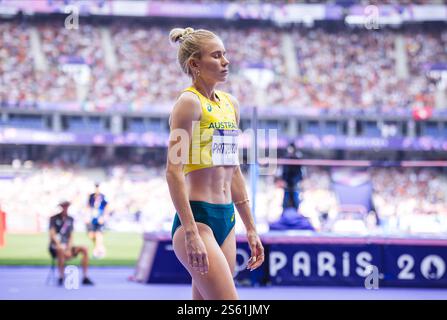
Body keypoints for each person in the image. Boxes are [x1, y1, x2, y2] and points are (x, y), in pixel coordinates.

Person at [166, 27, 264, 300]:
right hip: (200, 219)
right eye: (217, 55)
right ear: (194, 64)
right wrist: (190, 231)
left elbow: (233, 171)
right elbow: (173, 172)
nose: (226, 61)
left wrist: (251, 228)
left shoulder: (230, 104)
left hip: (227, 219)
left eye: (225, 54)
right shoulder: (188, 103)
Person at [49, 200, 94, 286]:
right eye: (64, 206)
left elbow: (71, 236)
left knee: (84, 248)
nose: (65, 208)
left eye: (67, 206)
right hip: (55, 246)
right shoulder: (53, 219)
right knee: (60, 249)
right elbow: (53, 235)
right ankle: (61, 276)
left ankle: (85, 277)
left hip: (67, 246)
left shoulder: (70, 219)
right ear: (61, 207)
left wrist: (68, 249)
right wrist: (61, 246)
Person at [86, 183, 108, 258]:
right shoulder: (91, 196)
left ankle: (97, 251)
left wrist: (104, 217)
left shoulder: (103, 197)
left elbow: (107, 207)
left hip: (100, 218)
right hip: (92, 218)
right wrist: (87, 216)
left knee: (99, 234)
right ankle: (100, 248)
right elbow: (88, 206)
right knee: (91, 235)